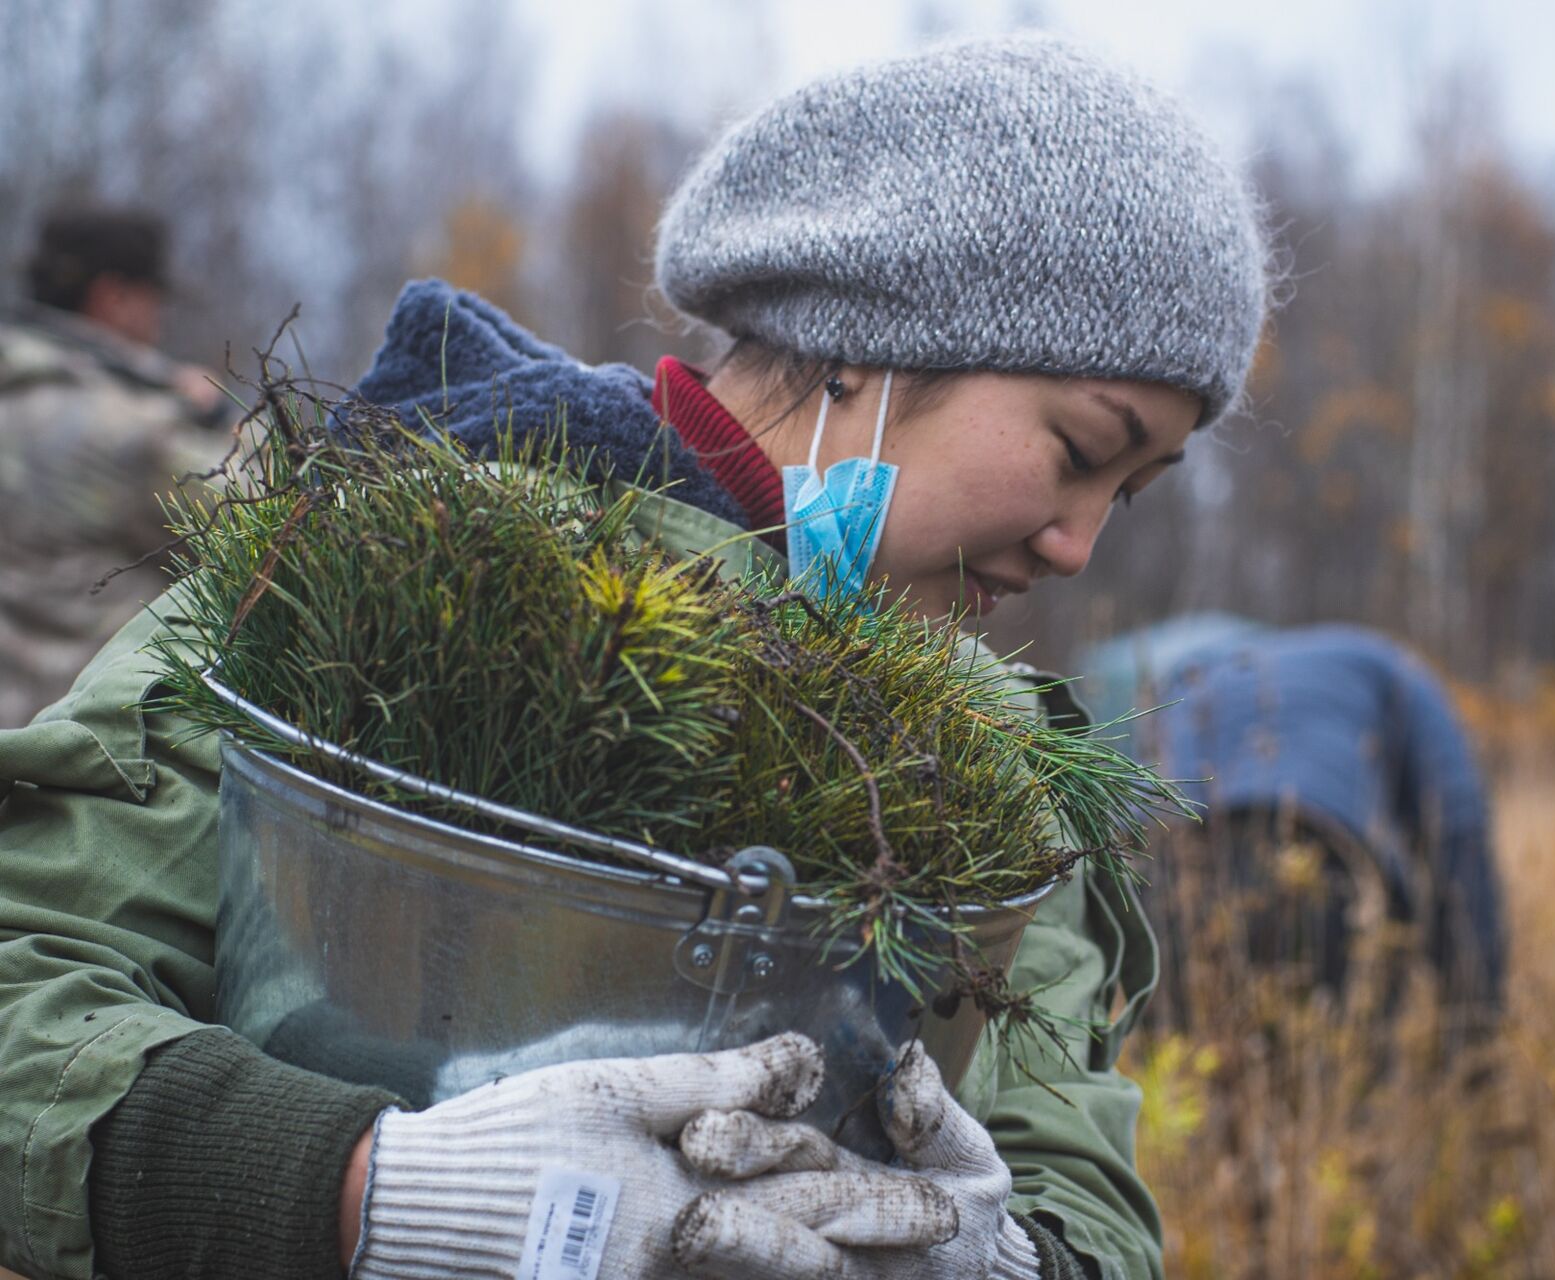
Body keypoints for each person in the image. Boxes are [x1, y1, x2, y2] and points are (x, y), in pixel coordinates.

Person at [0, 36, 1269, 1280]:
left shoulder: (1000, 773)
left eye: (1136, 492)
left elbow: (1086, 1202)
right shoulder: (378, 576)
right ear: (864, 341)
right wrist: (365, 1191)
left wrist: (998, 1257)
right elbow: (27, 982)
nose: (1078, 543)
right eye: (1079, 447)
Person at [1103, 621, 1505, 1028]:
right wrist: (1475, 1023)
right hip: (1307, 854)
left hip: (1164, 862)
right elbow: (1460, 842)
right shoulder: (1399, 670)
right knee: (1321, 1048)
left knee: (1180, 1051)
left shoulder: (1205, 671)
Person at [0, 206, 231, 729]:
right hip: (81, 754)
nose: (159, 321)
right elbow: (265, 519)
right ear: (114, 296)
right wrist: (221, 416)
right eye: (154, 300)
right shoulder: (132, 428)